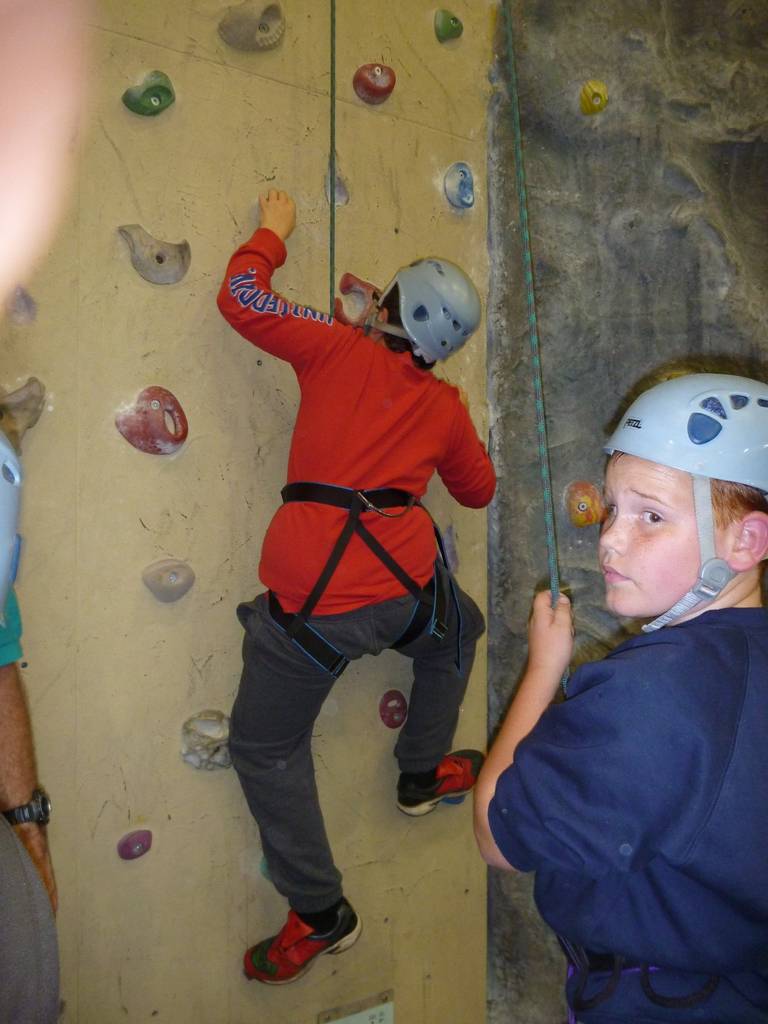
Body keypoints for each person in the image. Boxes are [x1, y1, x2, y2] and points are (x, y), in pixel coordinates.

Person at [217, 188, 496, 984]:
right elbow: (478, 492)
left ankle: (319, 912)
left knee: (263, 746)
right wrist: (449, 422)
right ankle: (421, 770)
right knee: (460, 628)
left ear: (389, 303)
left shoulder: (333, 347)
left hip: (317, 609)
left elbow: (240, 297)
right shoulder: (441, 404)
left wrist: (271, 231)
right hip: (405, 595)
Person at [474, 372, 768, 1023]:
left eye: (651, 516)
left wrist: (543, 670)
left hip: (659, 1003)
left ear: (746, 542)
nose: (608, 538)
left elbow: (497, 836)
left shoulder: (652, 688)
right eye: (611, 508)